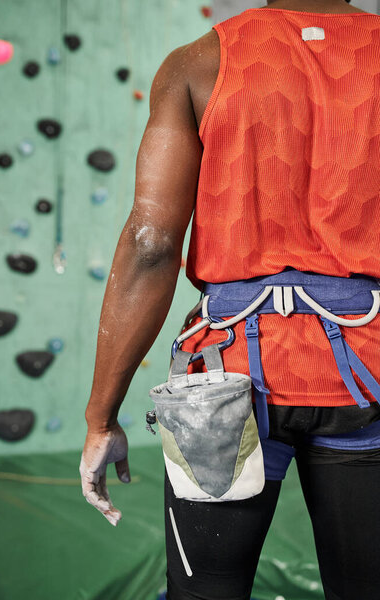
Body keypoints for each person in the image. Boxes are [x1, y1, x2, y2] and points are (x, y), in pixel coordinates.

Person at [80, 1, 380, 598]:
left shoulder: (198, 61)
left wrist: (101, 418)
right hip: (368, 374)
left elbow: (151, 243)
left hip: (225, 378)